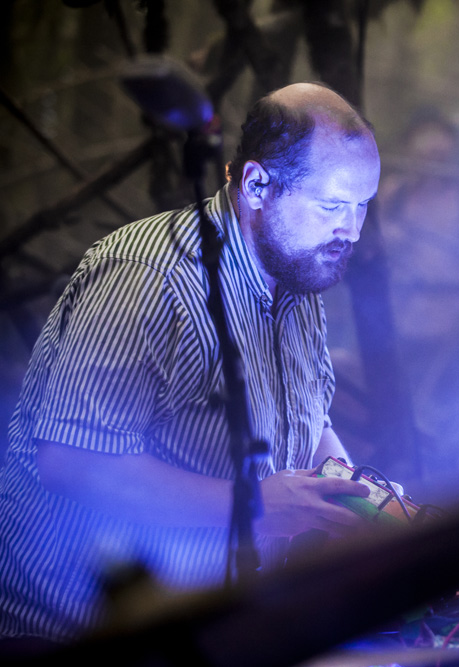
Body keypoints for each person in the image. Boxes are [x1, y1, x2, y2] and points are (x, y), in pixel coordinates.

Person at [0, 82, 381, 645]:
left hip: (212, 628)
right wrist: (256, 505)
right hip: (76, 634)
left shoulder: (297, 276)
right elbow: (74, 463)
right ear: (256, 185)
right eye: (331, 205)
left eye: (362, 206)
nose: (350, 231)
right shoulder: (146, 277)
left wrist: (365, 499)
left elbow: (310, 420)